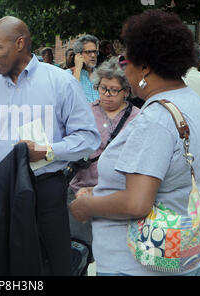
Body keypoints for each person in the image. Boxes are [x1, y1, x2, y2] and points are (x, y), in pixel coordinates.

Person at [70, 10, 200, 276]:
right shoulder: (193, 103)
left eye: (126, 59)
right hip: (188, 252)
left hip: (140, 264)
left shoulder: (155, 119)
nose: (123, 67)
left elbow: (137, 203)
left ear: (145, 67)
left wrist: (87, 205)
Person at [0, 16, 100, 275]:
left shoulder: (60, 83)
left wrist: (49, 151)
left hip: (46, 191)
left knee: (50, 265)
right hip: (3, 193)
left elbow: (88, 138)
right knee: (7, 266)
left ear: (19, 44)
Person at [67, 57, 140, 275]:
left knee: (113, 257)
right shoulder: (85, 112)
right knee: (77, 253)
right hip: (79, 192)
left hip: (115, 196)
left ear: (126, 91)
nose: (106, 94)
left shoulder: (138, 118)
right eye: (102, 88)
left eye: (113, 90)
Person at [67, 35, 100, 102]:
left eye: (95, 52)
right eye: (88, 52)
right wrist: (78, 69)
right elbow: (70, 96)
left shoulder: (102, 74)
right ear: (78, 55)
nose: (93, 55)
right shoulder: (68, 74)